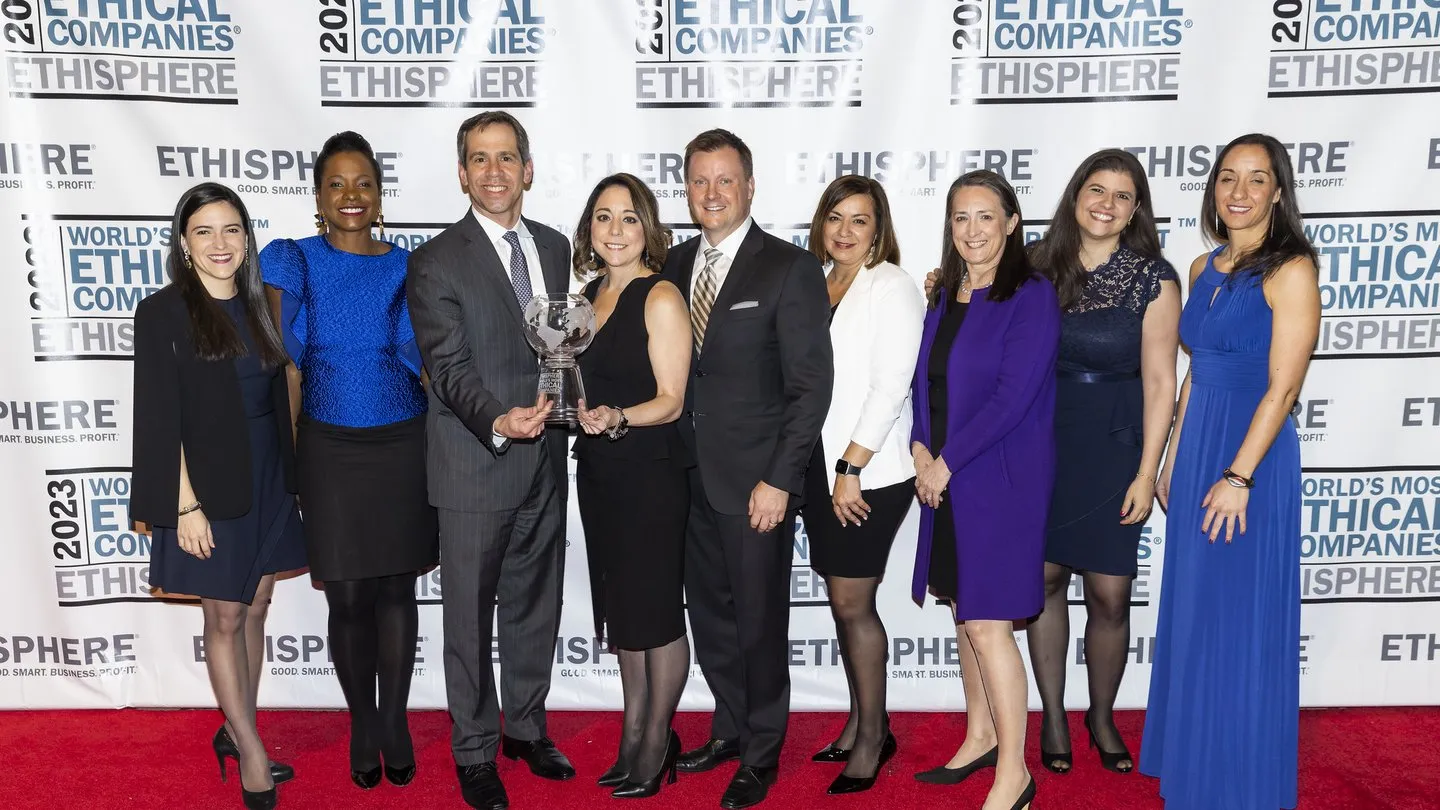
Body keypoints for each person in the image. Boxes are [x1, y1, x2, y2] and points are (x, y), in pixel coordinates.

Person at [1142, 134, 1318, 810]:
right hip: (1201, 452)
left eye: (1256, 179)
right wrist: (1175, 453)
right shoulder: (1202, 264)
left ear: (1278, 191)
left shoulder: (1291, 269)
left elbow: (1282, 388)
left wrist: (1238, 477)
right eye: (1227, 178)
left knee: (1237, 614)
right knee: (1197, 609)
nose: (1239, 192)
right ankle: (1195, 752)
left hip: (1254, 455)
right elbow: (1197, 366)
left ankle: (1237, 774)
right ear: (1213, 190)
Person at [259, 131, 438, 790]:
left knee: (397, 587)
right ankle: (363, 720)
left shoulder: (406, 264)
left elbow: (425, 364)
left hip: (401, 443)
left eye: (363, 182)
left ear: (379, 193)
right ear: (318, 197)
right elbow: (286, 370)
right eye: (336, 183)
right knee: (349, 596)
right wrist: (292, 458)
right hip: (330, 447)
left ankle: (394, 720)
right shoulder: (294, 261)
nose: (351, 195)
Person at [406, 112, 575, 810]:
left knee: (535, 603)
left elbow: (567, 347)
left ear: (527, 169)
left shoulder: (559, 247)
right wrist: (497, 420)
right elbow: (447, 367)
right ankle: (475, 751)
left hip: (548, 459)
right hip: (478, 458)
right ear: (462, 172)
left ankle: (526, 728)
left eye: (507, 158)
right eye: (480, 159)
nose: (495, 172)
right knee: (470, 618)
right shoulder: (437, 260)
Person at [664, 128, 833, 810]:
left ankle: (761, 751)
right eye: (699, 181)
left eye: (724, 180)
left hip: (757, 484)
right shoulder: (673, 264)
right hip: (687, 478)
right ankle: (730, 727)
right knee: (711, 619)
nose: (712, 193)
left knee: (759, 622)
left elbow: (810, 387)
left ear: (750, 185)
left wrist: (780, 479)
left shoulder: (788, 268)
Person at [131, 182, 306, 810]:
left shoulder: (269, 305)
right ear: (184, 242)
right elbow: (158, 417)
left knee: (256, 607)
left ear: (246, 238)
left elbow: (284, 394)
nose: (219, 243)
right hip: (204, 486)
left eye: (231, 229)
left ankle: (239, 729)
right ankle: (252, 751)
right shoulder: (162, 313)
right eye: (204, 231)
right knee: (224, 616)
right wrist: (184, 505)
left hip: (268, 478)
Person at [1023, 149, 1180, 775]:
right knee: (1045, 582)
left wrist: (1147, 473)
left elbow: (1162, 383)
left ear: (1135, 209)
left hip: (1115, 444)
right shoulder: (1032, 266)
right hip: (1040, 441)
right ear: (1075, 195)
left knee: (1111, 595)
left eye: (1122, 195)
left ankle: (1103, 713)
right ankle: (1056, 715)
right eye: (1096, 189)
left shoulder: (1155, 278)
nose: (1106, 204)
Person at [910, 170, 1057, 810]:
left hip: (999, 480)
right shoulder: (946, 294)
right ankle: (978, 735)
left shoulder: (1032, 295)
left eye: (986, 217)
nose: (972, 230)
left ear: (1012, 224)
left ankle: (1014, 774)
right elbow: (926, 383)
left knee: (991, 624)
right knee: (962, 609)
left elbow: (1012, 398)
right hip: (943, 474)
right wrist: (920, 446)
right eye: (960, 218)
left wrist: (945, 462)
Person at [569, 173, 693, 799]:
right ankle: (634, 729)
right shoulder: (586, 299)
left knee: (656, 614)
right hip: (599, 474)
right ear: (589, 229)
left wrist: (618, 416)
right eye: (603, 217)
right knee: (622, 612)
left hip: (650, 474)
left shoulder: (660, 295)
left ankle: (656, 739)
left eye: (628, 218)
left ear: (648, 227)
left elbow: (671, 400)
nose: (615, 230)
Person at [799, 175, 924, 795]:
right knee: (843, 603)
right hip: (818, 468)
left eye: (860, 221)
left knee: (853, 604)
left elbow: (891, 383)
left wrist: (850, 468)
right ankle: (858, 722)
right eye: (836, 218)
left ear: (880, 229)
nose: (845, 231)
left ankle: (874, 738)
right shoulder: (818, 284)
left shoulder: (891, 286)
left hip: (865, 472)